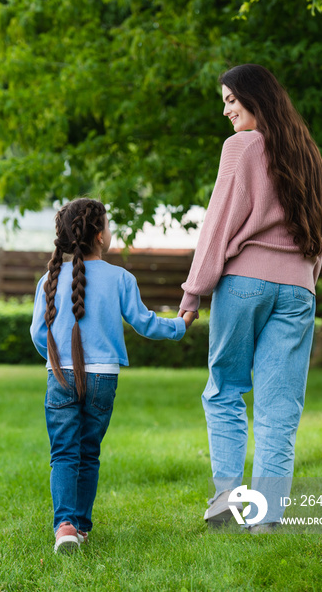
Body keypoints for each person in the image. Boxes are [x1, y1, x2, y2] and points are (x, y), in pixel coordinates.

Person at [178, 64, 322, 532]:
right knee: (279, 407)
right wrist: (304, 279)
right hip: (297, 292)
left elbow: (218, 224)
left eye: (232, 99)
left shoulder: (241, 147)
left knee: (225, 390)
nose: (226, 110)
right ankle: (265, 519)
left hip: (244, 283)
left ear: (256, 98)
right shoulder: (307, 153)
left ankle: (227, 502)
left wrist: (194, 291)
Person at [31, 197, 196, 553]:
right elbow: (144, 322)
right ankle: (82, 527)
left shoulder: (49, 279)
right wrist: (180, 326)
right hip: (103, 378)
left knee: (63, 453)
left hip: (59, 376)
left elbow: (37, 334)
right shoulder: (121, 278)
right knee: (88, 452)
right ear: (101, 235)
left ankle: (65, 526)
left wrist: (55, 360)